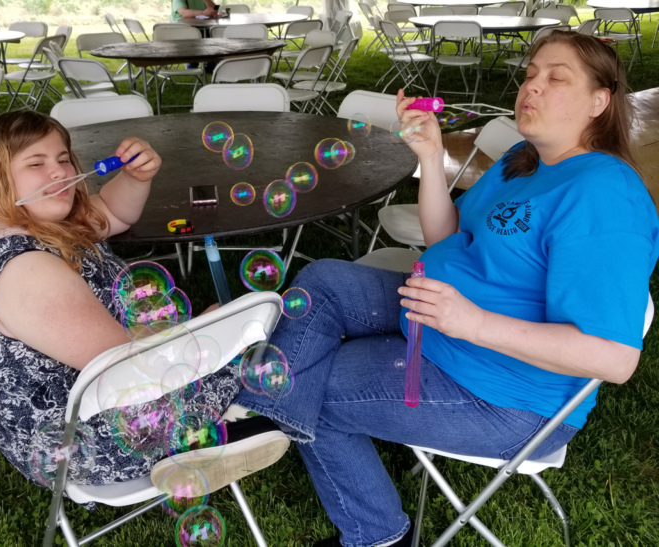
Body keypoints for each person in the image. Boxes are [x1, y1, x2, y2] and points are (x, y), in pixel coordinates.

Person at [224, 30, 659, 546]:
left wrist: (472, 322)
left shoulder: (604, 196)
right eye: (530, 74)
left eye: (556, 78)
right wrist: (430, 157)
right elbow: (447, 238)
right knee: (322, 282)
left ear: (599, 101)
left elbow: (613, 359)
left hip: (505, 396)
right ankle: (261, 411)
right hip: (439, 316)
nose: (532, 87)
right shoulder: (525, 159)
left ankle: (375, 532)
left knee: (309, 383)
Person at [0, 111, 288, 494]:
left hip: (92, 414)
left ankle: (261, 420)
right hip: (106, 437)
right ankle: (228, 428)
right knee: (297, 317)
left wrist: (136, 176)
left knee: (304, 321)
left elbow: (114, 211)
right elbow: (132, 370)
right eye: (35, 163)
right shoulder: (26, 271)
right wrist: (205, 333)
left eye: (63, 158)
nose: (58, 172)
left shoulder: (40, 226)